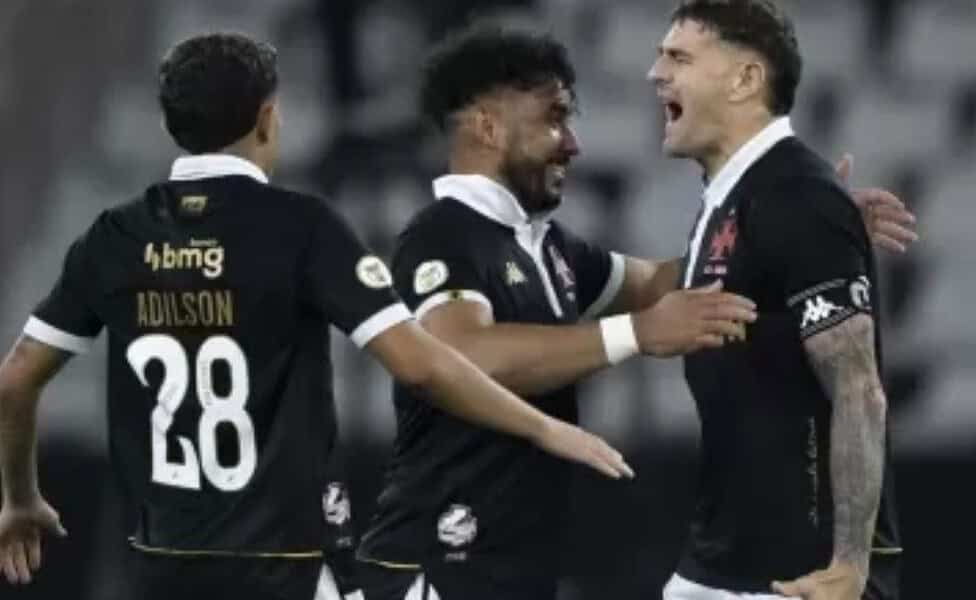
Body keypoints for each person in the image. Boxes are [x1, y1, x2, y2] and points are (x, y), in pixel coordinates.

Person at [0, 32, 638, 600]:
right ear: (267, 120)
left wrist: (20, 497)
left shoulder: (114, 237)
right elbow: (421, 366)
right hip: (287, 566)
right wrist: (542, 427)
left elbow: (16, 380)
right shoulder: (301, 228)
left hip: (158, 565)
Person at [356, 26, 914, 600]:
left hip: (508, 570)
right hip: (432, 566)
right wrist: (634, 334)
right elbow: (459, 354)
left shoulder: (546, 248)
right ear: (489, 127)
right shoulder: (443, 235)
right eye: (554, 118)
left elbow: (659, 281)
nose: (573, 144)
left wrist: (793, 227)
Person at [646, 1, 915, 598]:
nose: (655, 73)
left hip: (796, 577)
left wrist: (850, 566)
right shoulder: (742, 196)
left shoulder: (796, 194)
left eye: (678, 58)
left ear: (745, 79)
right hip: (722, 560)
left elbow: (859, 390)